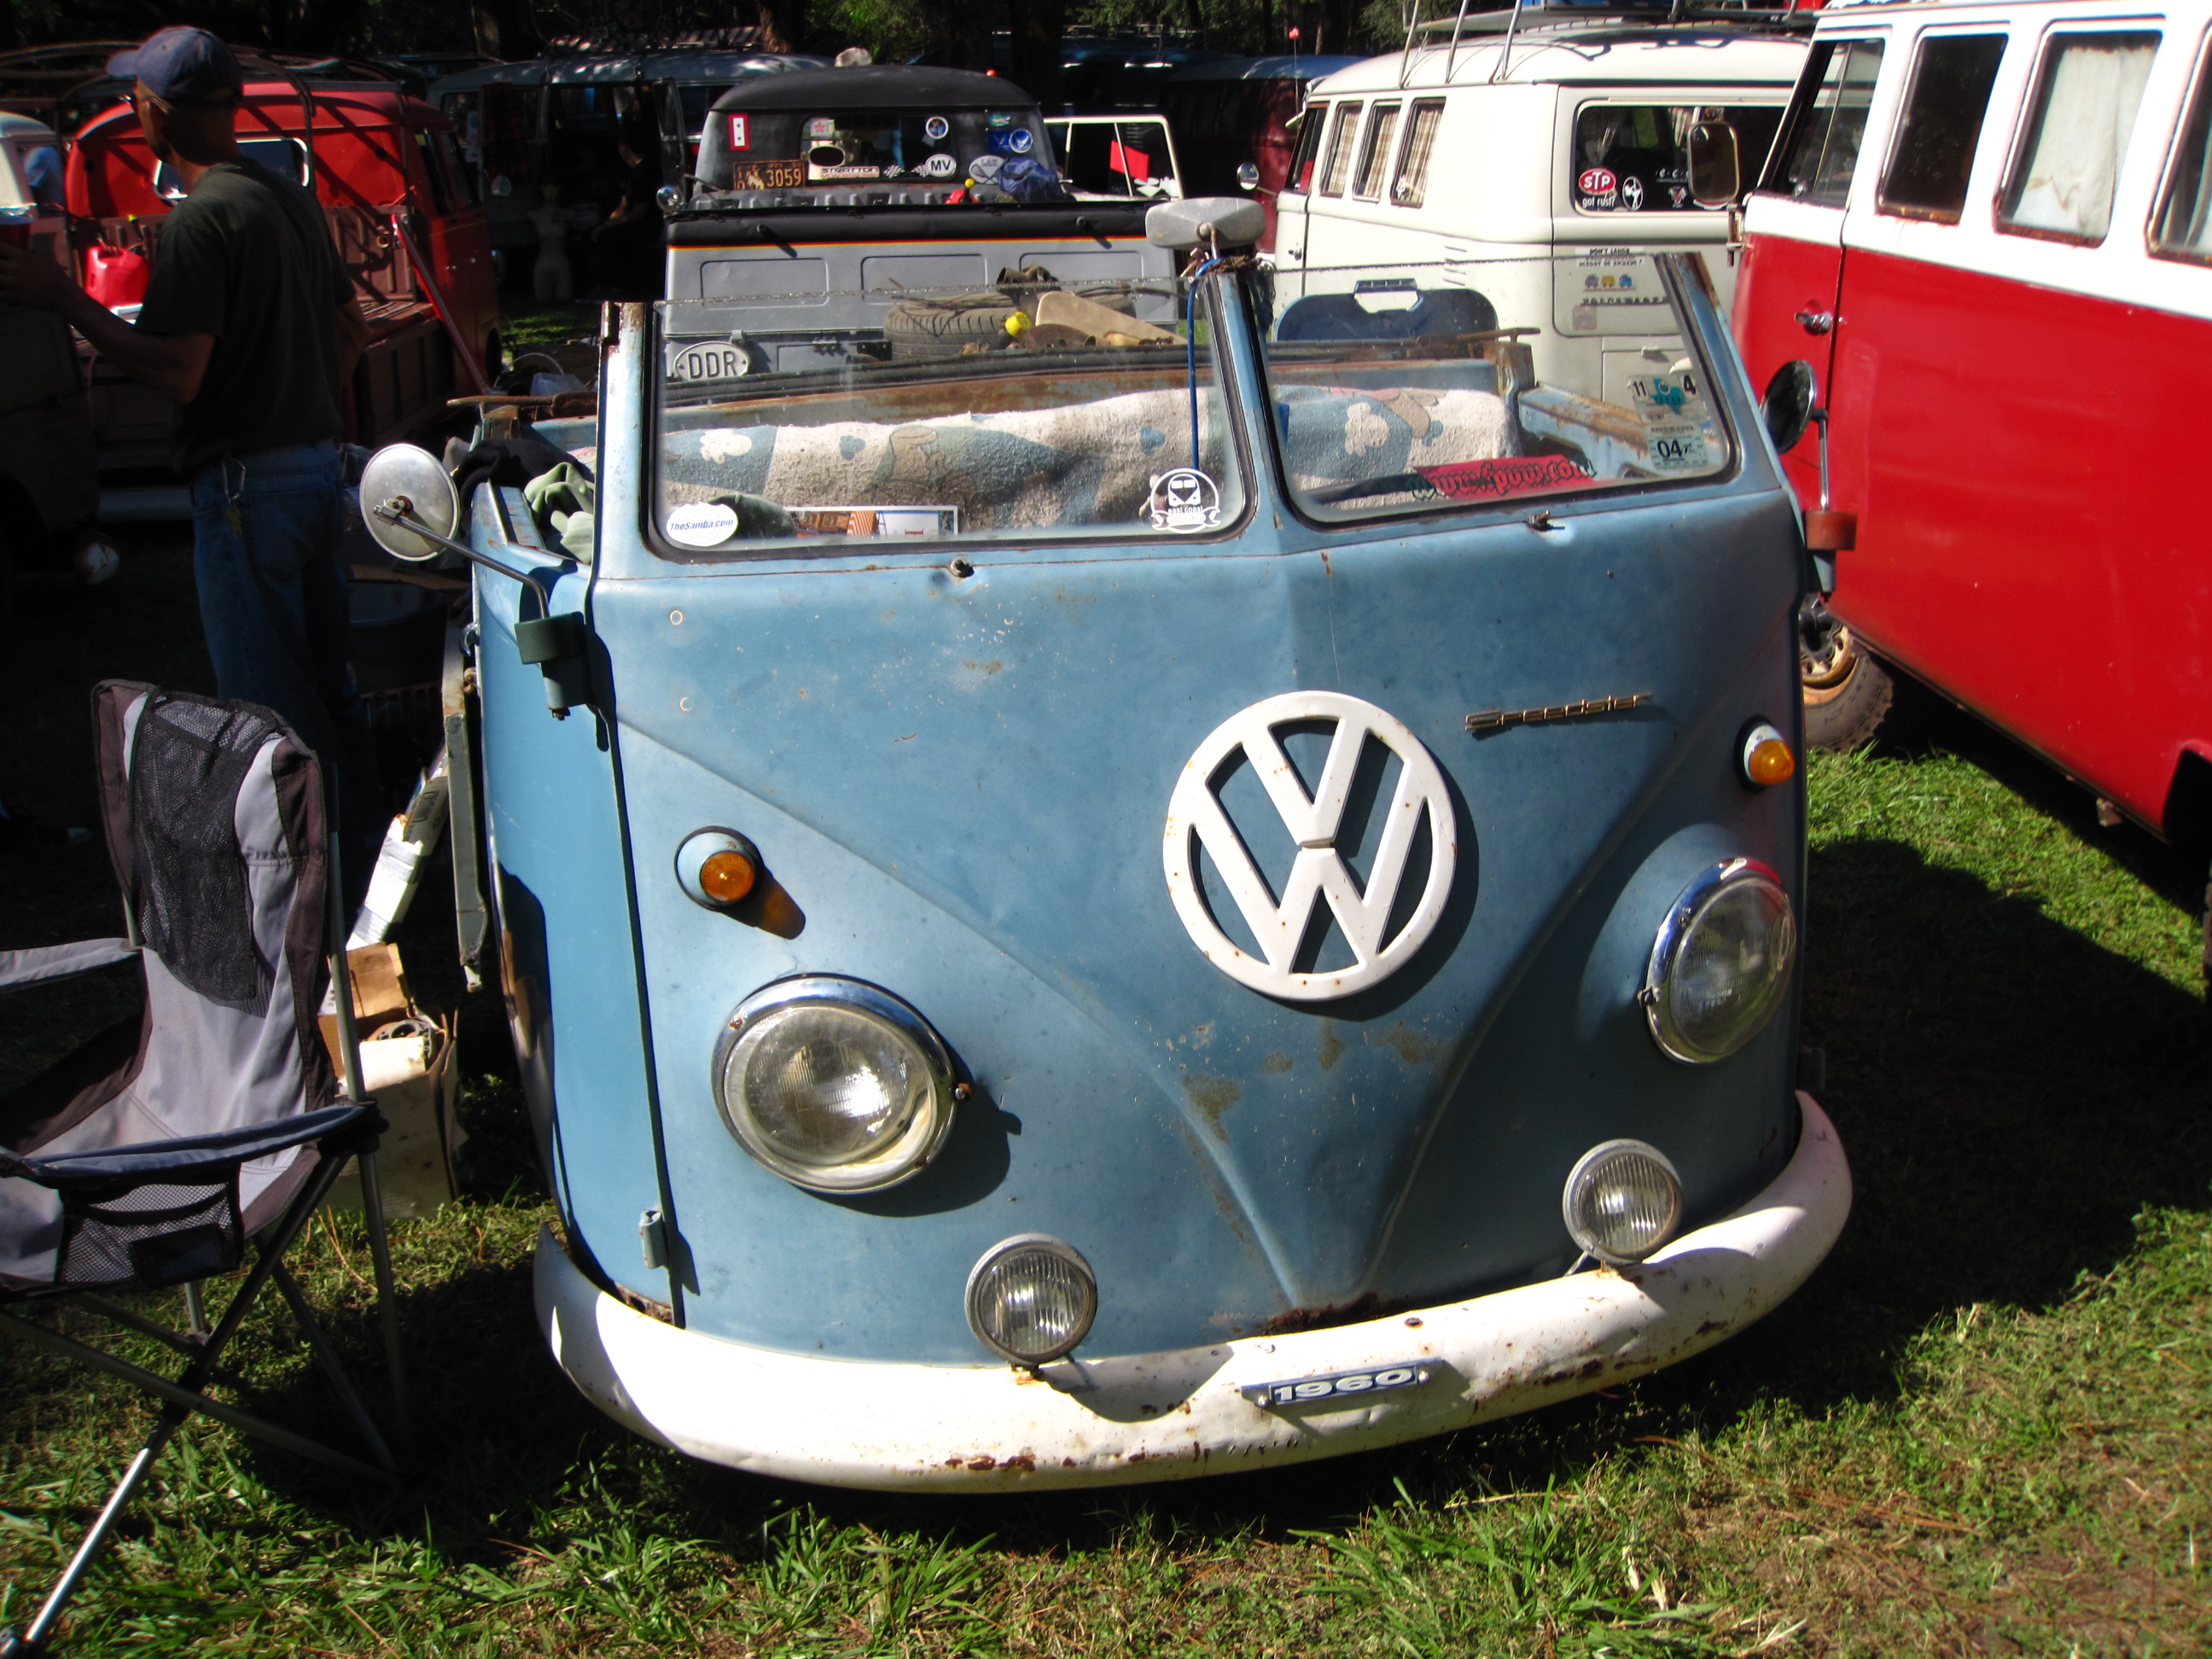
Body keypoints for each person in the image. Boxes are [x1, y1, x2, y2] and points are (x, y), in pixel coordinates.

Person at [0, 27, 383, 904]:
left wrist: (65, 299)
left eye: (134, 99)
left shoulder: (203, 221)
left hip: (247, 488)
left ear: (153, 112)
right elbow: (351, 331)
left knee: (269, 714)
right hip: (314, 474)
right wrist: (298, 397)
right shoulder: (285, 197)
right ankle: (364, 870)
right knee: (330, 691)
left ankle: (302, 908)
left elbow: (181, 371)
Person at [527, 179, 574, 302]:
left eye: (554, 186)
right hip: (542, 265)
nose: (550, 191)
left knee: (564, 303)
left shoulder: (568, 214)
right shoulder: (533, 214)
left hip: (561, 264)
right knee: (543, 305)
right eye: (545, 186)